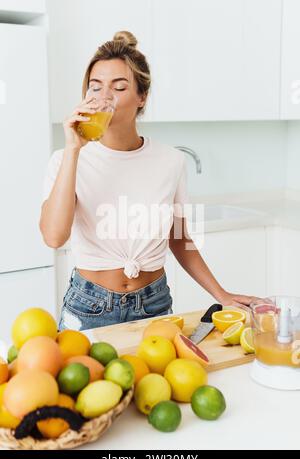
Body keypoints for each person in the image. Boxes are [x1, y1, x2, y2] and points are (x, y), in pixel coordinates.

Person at [39, 31, 262, 331]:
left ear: (141, 97)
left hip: (154, 304)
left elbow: (180, 237)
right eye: (95, 88)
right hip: (90, 307)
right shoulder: (67, 158)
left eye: (118, 87)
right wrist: (73, 150)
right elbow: (54, 237)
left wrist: (221, 294)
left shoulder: (171, 161)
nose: (104, 97)